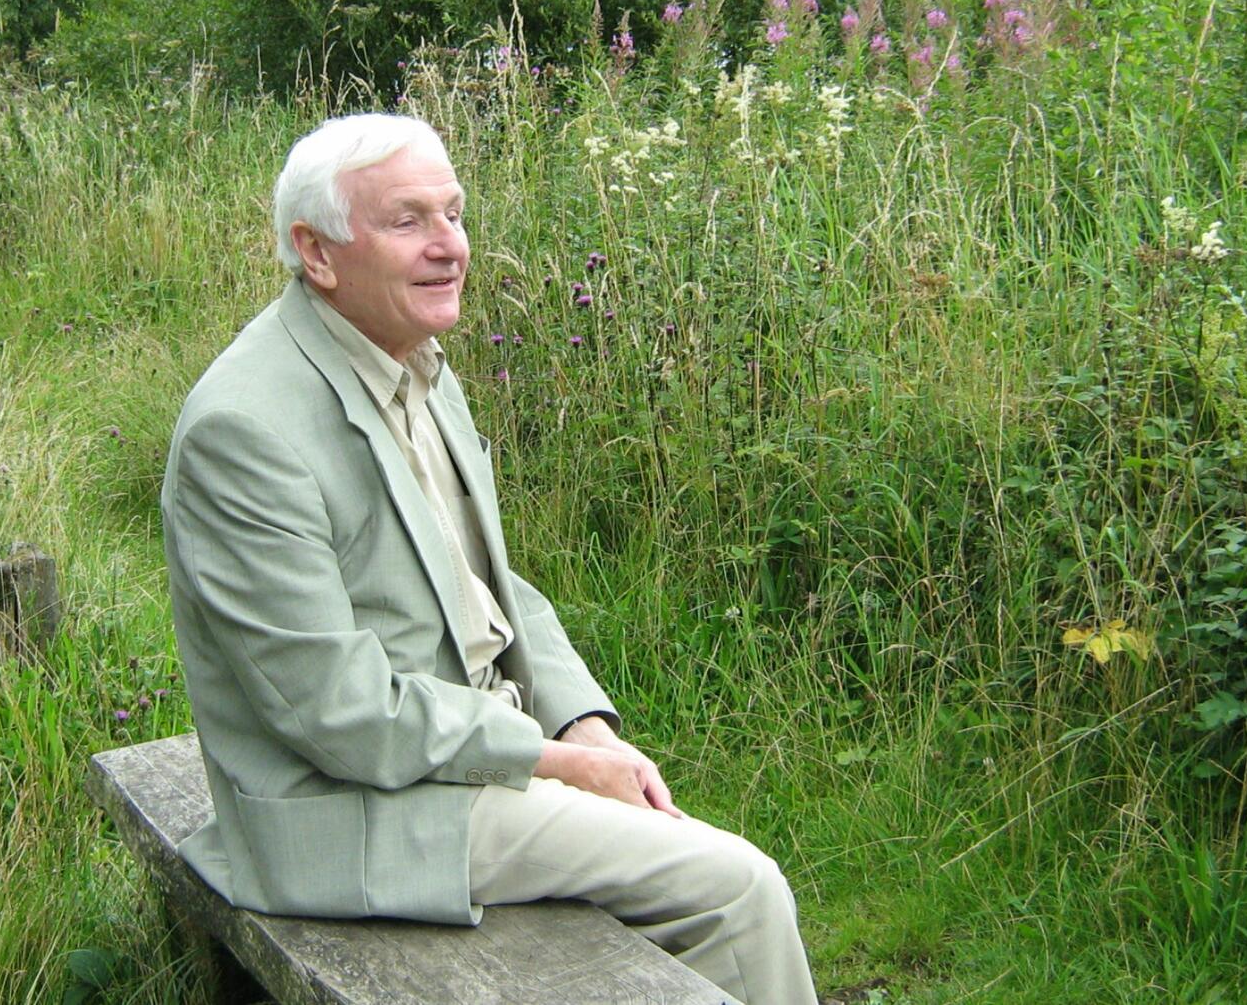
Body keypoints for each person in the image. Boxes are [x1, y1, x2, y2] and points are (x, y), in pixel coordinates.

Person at [160, 113, 818, 1005]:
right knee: (738, 891)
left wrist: (582, 721)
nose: (449, 247)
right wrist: (552, 762)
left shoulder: (416, 363)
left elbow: (492, 586)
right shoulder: (246, 429)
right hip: (357, 807)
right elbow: (334, 709)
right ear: (316, 253)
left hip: (457, 755)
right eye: (408, 221)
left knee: (672, 856)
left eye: (455, 213)